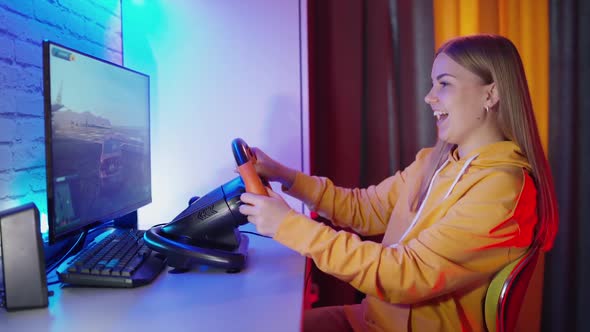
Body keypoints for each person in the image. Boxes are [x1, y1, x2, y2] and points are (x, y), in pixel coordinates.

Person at [238, 34, 558, 332]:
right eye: (432, 84)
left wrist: (287, 225)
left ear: (490, 93)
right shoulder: (434, 162)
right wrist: (285, 175)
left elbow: (405, 275)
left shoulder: (503, 191)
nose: (429, 97)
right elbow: (363, 209)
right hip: (370, 320)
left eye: (444, 84)